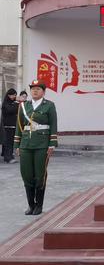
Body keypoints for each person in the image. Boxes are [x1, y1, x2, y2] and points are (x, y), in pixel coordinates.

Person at [13, 80, 58, 215]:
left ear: (43, 91)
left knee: (40, 175)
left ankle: (39, 205)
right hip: (26, 144)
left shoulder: (49, 105)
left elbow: (53, 125)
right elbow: (19, 126)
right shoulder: (24, 106)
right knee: (26, 174)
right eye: (33, 89)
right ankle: (31, 205)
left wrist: (52, 144)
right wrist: (17, 144)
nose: (35, 91)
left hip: (42, 145)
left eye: (38, 89)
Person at [1, 89, 19, 163]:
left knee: (11, 142)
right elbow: (10, 110)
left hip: (13, 125)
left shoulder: (13, 103)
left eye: (15, 95)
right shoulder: (6, 103)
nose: (15, 96)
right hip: (7, 126)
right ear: (9, 95)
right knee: (8, 142)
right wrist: (17, 103)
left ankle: (9, 156)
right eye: (13, 95)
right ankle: (8, 157)